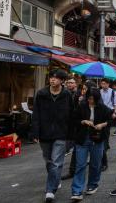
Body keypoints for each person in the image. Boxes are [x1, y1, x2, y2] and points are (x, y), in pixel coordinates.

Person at [32, 69, 74, 203]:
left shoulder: (67, 94)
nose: (52, 79)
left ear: (62, 81)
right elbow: (36, 114)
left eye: (56, 78)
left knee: (56, 162)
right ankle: (55, 179)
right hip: (44, 133)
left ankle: (50, 190)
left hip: (61, 133)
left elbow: (72, 115)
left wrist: (71, 133)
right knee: (49, 161)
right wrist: (35, 132)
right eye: (51, 77)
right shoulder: (41, 94)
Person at [70, 88, 111, 201]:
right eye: (89, 98)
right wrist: (83, 121)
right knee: (80, 165)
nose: (90, 101)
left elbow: (111, 119)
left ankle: (92, 184)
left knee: (95, 164)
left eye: (93, 99)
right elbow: (74, 120)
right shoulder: (81, 106)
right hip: (82, 138)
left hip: (97, 139)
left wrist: (102, 125)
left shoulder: (103, 108)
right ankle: (77, 191)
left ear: (97, 99)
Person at [62, 81, 97, 181]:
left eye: (85, 89)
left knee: (95, 157)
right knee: (77, 154)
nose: (83, 91)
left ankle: (93, 180)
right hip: (80, 132)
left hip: (93, 133)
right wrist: (79, 102)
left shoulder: (96, 102)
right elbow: (75, 115)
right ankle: (73, 172)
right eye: (83, 88)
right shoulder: (79, 98)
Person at [100, 78, 116, 171]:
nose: (103, 85)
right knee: (104, 130)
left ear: (108, 84)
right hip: (102, 112)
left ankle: (106, 144)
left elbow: (115, 103)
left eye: (104, 84)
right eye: (102, 83)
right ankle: (105, 144)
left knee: (107, 129)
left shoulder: (112, 92)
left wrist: (114, 112)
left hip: (110, 111)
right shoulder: (99, 92)